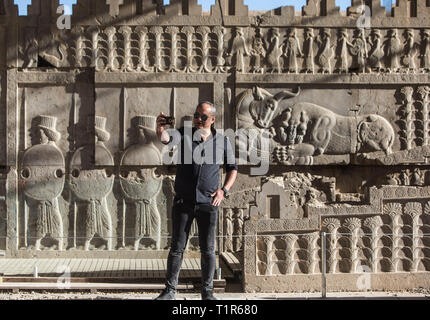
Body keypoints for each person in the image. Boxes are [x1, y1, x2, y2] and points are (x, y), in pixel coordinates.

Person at [155, 101, 238, 300]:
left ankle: (207, 292)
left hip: (208, 204)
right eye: (196, 115)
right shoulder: (184, 133)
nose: (198, 119)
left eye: (203, 117)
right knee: (176, 249)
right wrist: (159, 129)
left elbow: (232, 169)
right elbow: (166, 139)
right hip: (184, 202)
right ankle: (169, 291)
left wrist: (223, 191)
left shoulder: (222, 141)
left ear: (212, 119)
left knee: (208, 250)